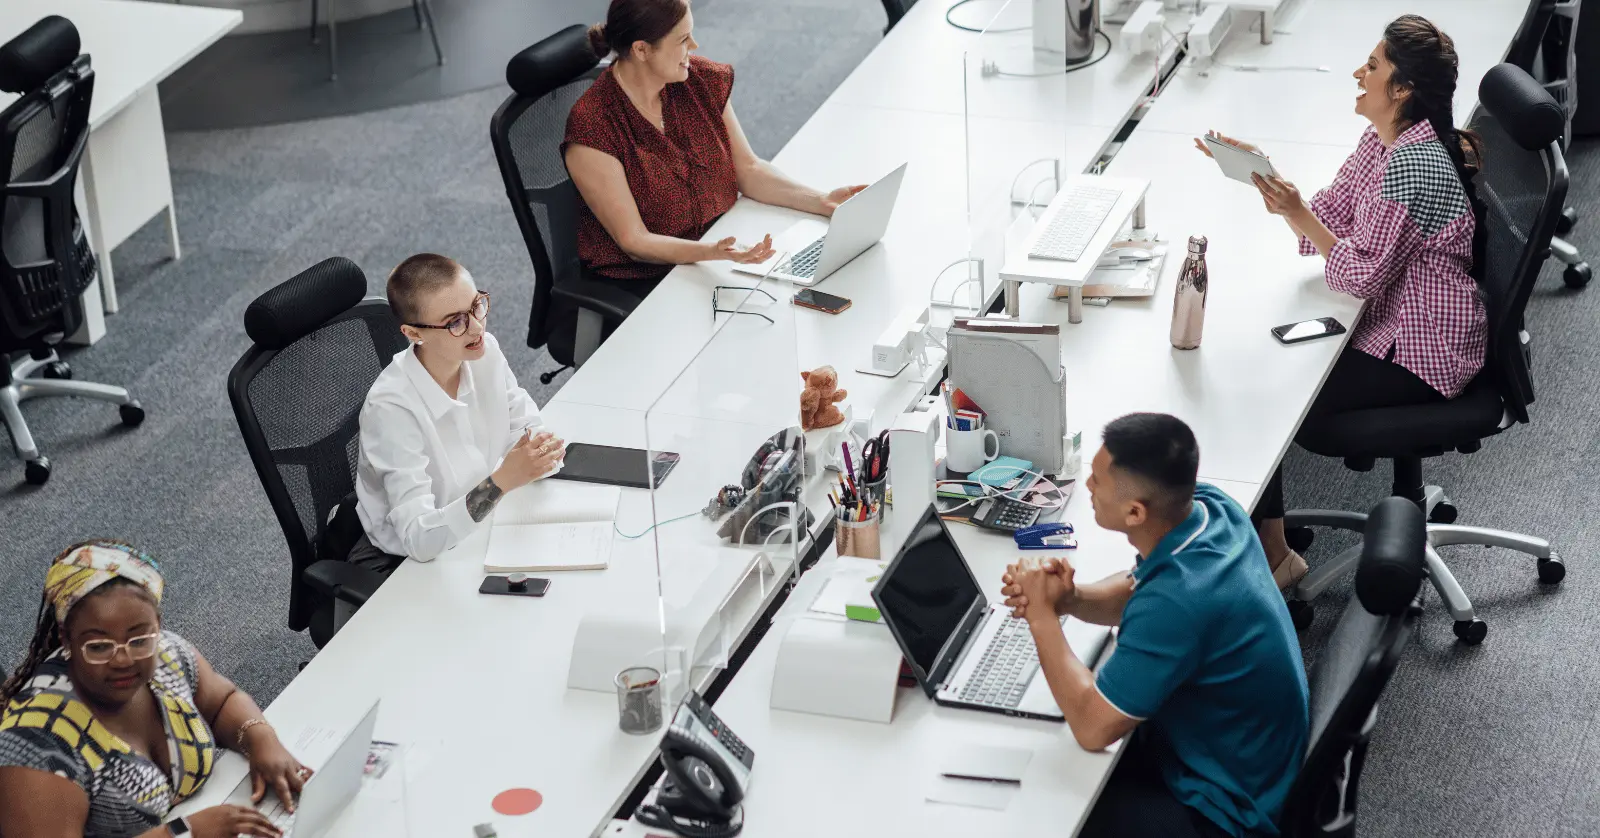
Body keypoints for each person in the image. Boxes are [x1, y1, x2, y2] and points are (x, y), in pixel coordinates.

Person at [1196, 15, 1486, 589]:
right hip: (1396, 320)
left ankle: (1274, 554)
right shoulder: (1381, 141)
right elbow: (1332, 215)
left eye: (1373, 66)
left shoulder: (1413, 163)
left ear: (1401, 89)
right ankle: (1267, 539)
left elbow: (1364, 275)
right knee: (1269, 373)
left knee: (1271, 396)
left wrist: (1298, 213)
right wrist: (1270, 181)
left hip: (1427, 351)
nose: (1359, 72)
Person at [1002, 414, 1308, 838]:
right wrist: (1068, 599)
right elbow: (1137, 591)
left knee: (1044, 803)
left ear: (1134, 512)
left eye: (1096, 480)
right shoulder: (1212, 509)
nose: (1087, 487)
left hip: (1227, 808)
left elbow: (1092, 726)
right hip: (1256, 760)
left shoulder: (1178, 603)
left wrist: (1040, 616)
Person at [0, 541, 310, 838]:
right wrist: (182, 833)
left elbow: (221, 701)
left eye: (139, 639)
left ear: (156, 625)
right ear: (67, 639)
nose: (123, 659)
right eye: (99, 646)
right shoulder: (39, 744)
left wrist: (261, 738)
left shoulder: (165, 654)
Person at [564, 0, 868, 291]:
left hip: (721, 247)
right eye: (683, 40)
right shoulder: (594, 125)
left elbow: (747, 169)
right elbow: (635, 241)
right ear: (642, 50)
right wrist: (715, 253)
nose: (694, 47)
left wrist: (821, 200)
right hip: (649, 278)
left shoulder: (699, 80)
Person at [354, 253, 567, 568]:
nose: (477, 327)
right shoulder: (391, 410)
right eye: (455, 322)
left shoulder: (485, 351)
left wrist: (539, 454)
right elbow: (419, 539)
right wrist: (501, 481)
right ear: (414, 334)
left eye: (476, 305)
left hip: (480, 525)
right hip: (411, 562)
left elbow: (525, 427)